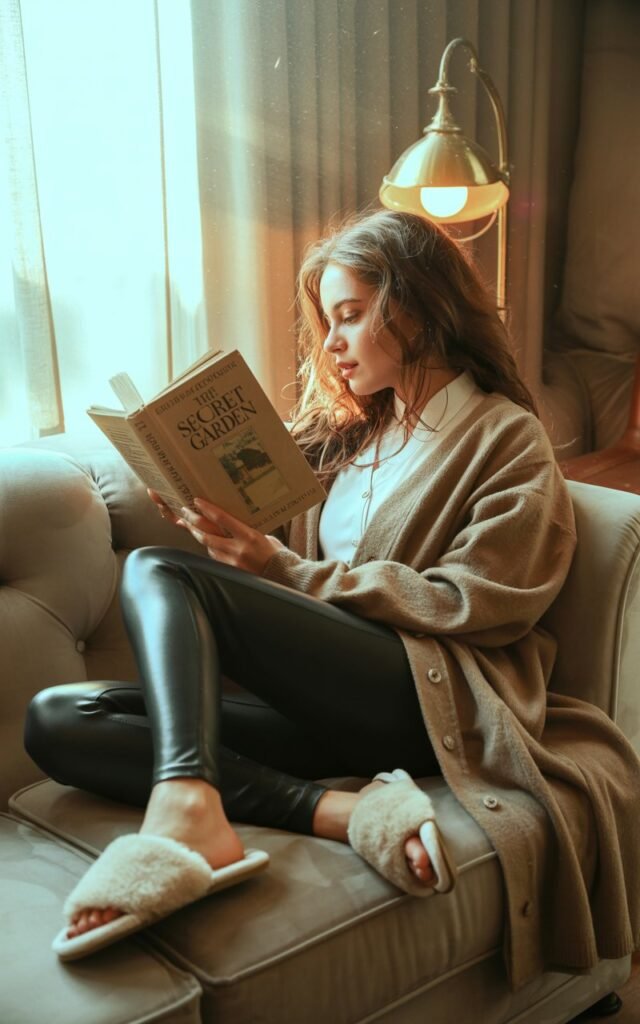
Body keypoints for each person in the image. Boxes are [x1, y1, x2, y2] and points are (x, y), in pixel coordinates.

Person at [25, 210, 640, 985]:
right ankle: (335, 811)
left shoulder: (505, 437)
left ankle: (185, 805)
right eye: (329, 322)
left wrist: (284, 571)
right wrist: (206, 508)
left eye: (350, 315)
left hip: (426, 697)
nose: (333, 343)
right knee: (58, 719)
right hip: (325, 709)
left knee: (158, 570)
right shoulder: (345, 439)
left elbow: (477, 600)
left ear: (415, 304)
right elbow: (281, 571)